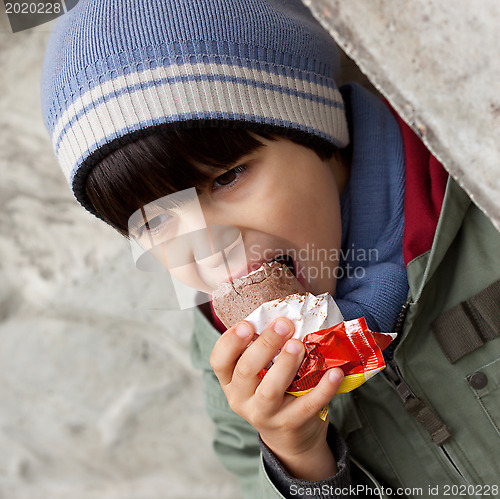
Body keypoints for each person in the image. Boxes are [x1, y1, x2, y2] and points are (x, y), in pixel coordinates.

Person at [41, 1, 500, 498]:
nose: (207, 245)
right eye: (156, 220)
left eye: (227, 177)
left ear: (319, 131)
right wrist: (301, 458)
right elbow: (248, 466)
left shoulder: (476, 192)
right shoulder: (231, 365)